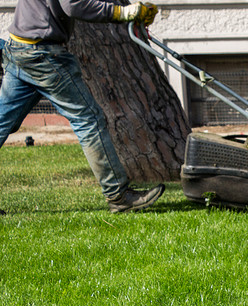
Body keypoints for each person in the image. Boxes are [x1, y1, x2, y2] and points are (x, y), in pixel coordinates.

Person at [0, 0, 163, 213]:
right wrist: (124, 12)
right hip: (43, 55)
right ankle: (119, 196)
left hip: (19, 47)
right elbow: (74, 5)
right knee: (89, 120)